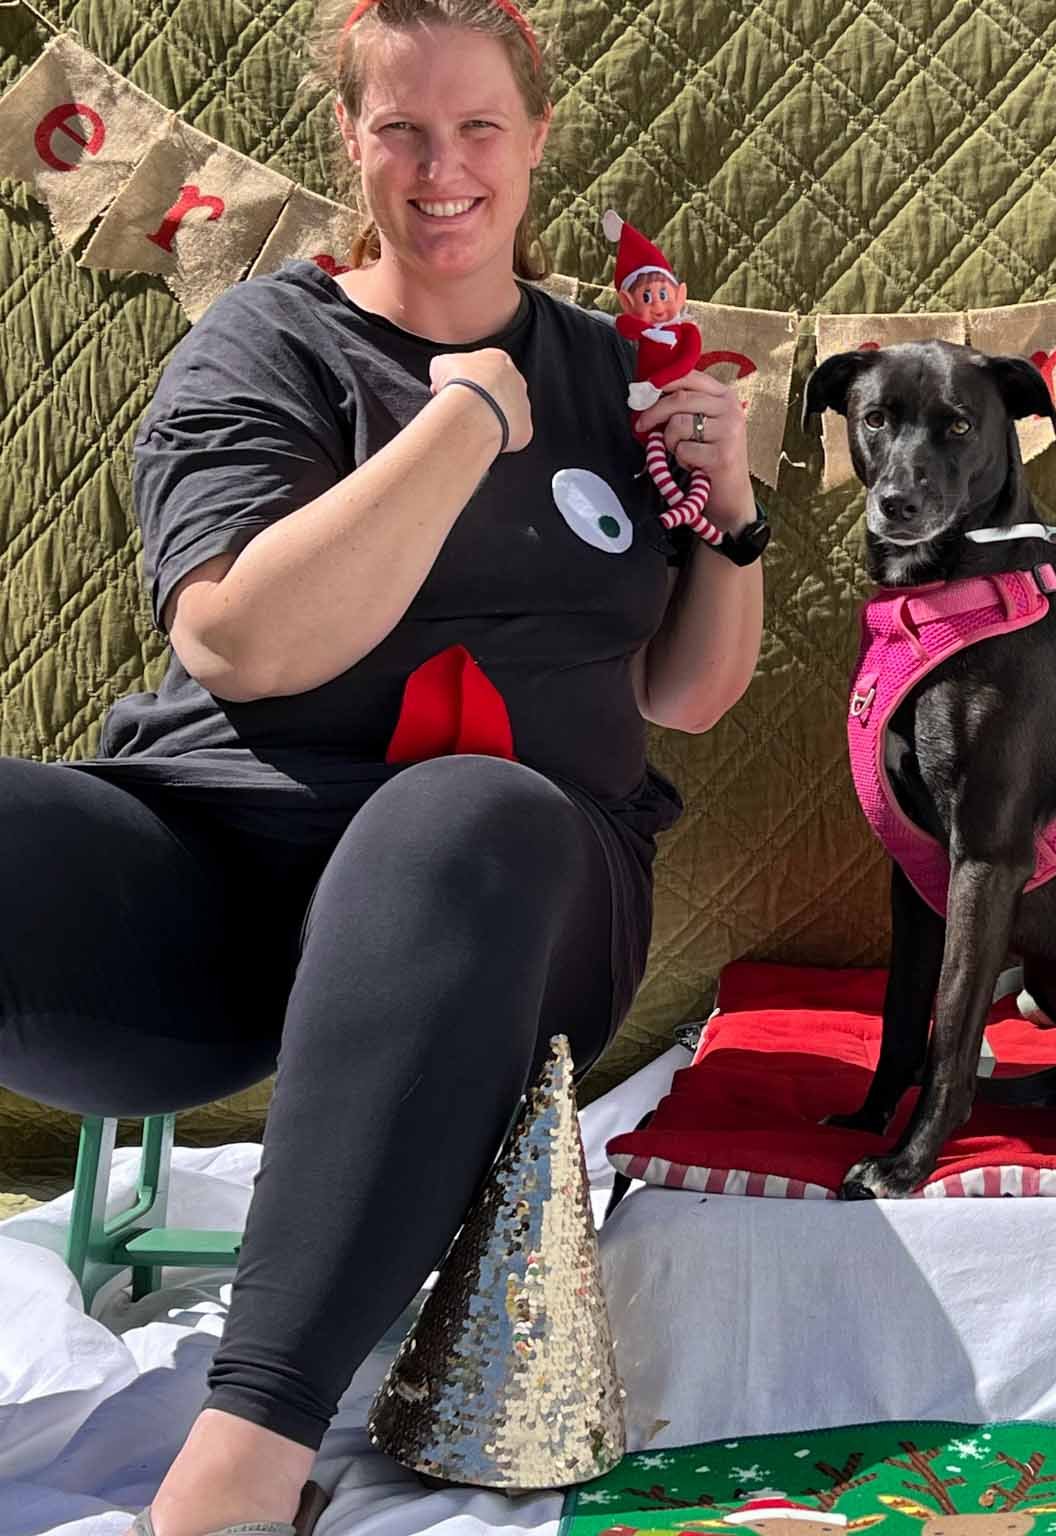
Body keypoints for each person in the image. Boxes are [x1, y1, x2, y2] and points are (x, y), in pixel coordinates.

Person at [0, 0, 766, 1531]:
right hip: (224, 885)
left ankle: (246, 1460)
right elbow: (241, 646)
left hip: (510, 901)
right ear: (349, 142)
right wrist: (461, 417)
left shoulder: (617, 377)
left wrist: (733, 518)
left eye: (479, 128)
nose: (442, 168)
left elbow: (687, 694)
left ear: (536, 142)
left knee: (460, 811)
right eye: (402, 128)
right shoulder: (268, 342)